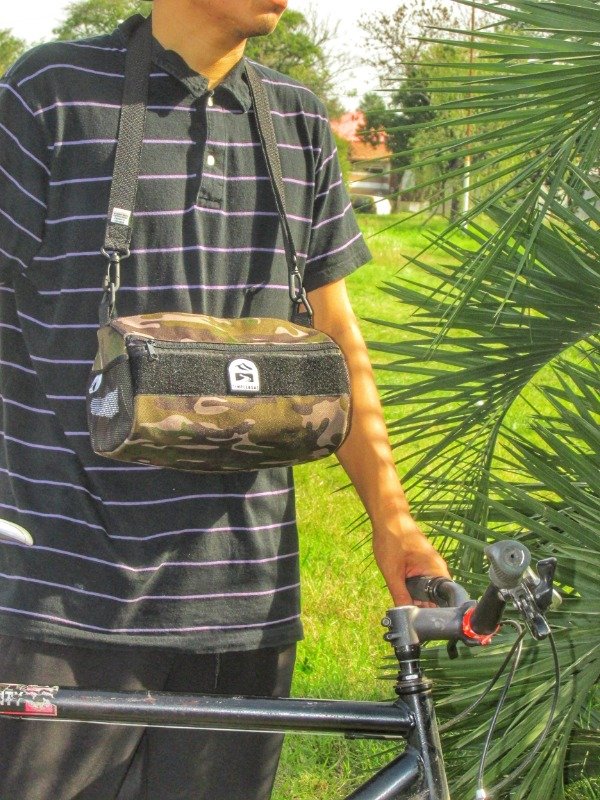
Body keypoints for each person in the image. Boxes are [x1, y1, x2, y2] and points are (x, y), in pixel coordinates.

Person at [0, 1, 450, 798]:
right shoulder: (49, 94)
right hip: (60, 595)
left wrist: (395, 523)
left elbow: (335, 339)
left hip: (245, 600)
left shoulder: (298, 121)